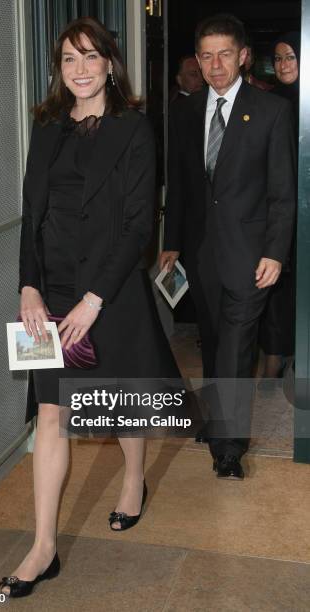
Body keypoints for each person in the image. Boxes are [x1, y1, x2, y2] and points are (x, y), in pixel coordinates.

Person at [0, 16, 182, 598]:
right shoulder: (47, 128)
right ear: (59, 68)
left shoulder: (133, 129)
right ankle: (44, 545)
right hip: (50, 295)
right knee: (50, 412)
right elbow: (33, 215)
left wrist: (94, 299)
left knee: (118, 398)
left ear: (109, 62)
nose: (79, 69)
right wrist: (28, 285)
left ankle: (133, 479)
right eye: (68, 59)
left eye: (90, 57)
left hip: (111, 290)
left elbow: (136, 228)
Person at [161, 13, 296, 480]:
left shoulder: (272, 112)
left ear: (242, 56)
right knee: (215, 340)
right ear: (197, 59)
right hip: (201, 253)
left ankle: (229, 447)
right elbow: (179, 185)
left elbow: (283, 192)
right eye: (205, 55)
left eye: (223, 54)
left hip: (251, 253)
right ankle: (219, 421)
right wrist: (171, 243)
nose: (214, 65)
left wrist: (276, 251)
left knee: (238, 345)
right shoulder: (183, 110)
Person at [258, 32, 300, 384]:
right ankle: (274, 359)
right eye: (279, 58)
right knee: (278, 291)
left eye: (290, 57)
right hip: (280, 209)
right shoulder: (271, 102)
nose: (283, 65)